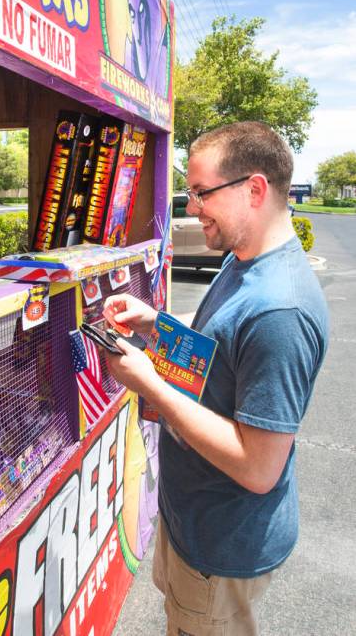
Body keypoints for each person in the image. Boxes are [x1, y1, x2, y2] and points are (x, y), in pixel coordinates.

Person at [102, 122, 328, 636]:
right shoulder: (244, 260)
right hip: (196, 522)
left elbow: (258, 467)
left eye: (201, 194)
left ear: (254, 189)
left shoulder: (281, 310)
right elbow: (219, 355)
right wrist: (154, 323)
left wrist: (149, 384)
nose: (191, 209)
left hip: (223, 545)